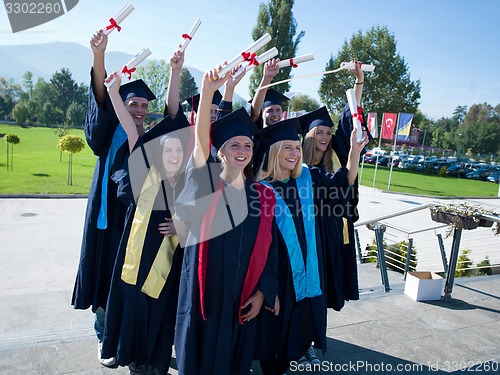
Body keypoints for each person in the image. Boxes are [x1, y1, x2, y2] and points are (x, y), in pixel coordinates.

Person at [174, 68, 279, 375]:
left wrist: (263, 291)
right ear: (219, 152)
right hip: (203, 297)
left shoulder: (262, 197)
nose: (243, 151)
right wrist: (208, 93)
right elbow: (199, 148)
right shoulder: (205, 183)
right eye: (234, 145)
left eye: (247, 146)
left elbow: (268, 251)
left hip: (241, 300)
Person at [254, 118, 368, 375]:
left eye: (297, 147)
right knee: (273, 347)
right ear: (274, 151)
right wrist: (267, 289)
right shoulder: (259, 192)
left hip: (308, 280)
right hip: (279, 281)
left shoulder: (309, 178)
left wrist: (354, 151)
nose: (295, 154)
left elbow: (342, 183)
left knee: (297, 340)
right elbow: (257, 249)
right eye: (287, 148)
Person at [71, 30, 157, 367]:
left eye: (143, 106)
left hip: (133, 223)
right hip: (106, 219)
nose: (138, 109)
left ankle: (126, 338)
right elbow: (100, 101)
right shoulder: (108, 133)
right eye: (132, 103)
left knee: (126, 280)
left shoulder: (146, 139)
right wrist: (99, 58)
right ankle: (104, 335)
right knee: (105, 275)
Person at [100, 71, 189, 375]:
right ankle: (135, 360)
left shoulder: (191, 179)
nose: (173, 152)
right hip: (137, 250)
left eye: (179, 148)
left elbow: (203, 212)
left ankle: (157, 360)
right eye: (168, 148)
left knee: (162, 309)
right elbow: (130, 125)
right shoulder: (143, 166)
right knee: (135, 302)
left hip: (169, 254)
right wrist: (113, 92)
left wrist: (181, 223)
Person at [297, 62, 366, 364]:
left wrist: (359, 83)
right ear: (309, 136)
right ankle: (299, 342)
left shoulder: (335, 156)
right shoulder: (297, 163)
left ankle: (313, 341)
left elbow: (353, 123)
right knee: (306, 292)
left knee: (323, 292)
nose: (325, 137)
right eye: (319, 132)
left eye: (328, 132)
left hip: (335, 235)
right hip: (308, 237)